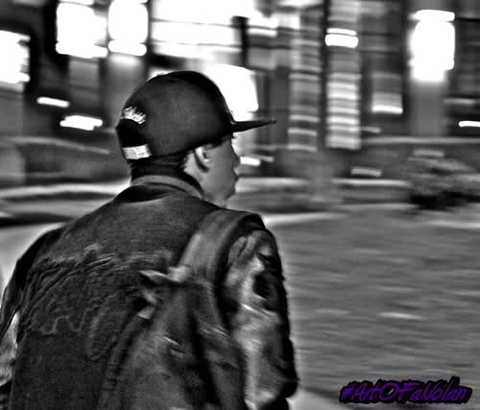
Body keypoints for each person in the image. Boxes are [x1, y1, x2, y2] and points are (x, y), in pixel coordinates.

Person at [0, 70, 298, 409]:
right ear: (203, 154)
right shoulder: (235, 245)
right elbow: (263, 396)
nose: (237, 161)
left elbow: (4, 382)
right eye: (230, 143)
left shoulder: (44, 252)